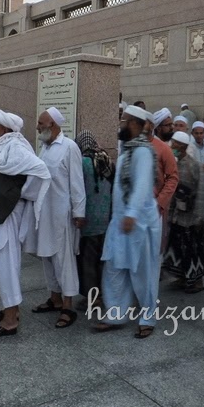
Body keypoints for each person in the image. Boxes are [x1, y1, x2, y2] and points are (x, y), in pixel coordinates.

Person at [0, 110, 51, 338]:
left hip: (5, 217)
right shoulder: (3, 146)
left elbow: (40, 171)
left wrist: (17, 194)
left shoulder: (15, 146)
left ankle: (10, 322)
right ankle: (11, 310)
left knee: (5, 267)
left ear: (5, 129)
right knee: (5, 267)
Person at [94, 105, 160, 339]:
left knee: (143, 273)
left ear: (134, 124)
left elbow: (142, 186)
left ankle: (148, 318)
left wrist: (131, 214)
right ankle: (115, 314)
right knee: (114, 267)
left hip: (139, 222)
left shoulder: (142, 152)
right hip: (121, 222)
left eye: (124, 121)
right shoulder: (127, 150)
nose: (120, 125)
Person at [25, 107, 86, 330]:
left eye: (41, 123)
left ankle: (68, 305)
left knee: (63, 260)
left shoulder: (69, 147)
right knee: (47, 257)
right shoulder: (45, 147)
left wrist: (79, 213)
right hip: (44, 212)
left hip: (62, 214)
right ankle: (55, 297)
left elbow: (77, 182)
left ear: (53, 125)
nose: (38, 127)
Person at [163, 131, 204, 293]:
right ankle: (182, 278)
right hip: (177, 215)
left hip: (191, 216)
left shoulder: (194, 165)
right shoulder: (173, 163)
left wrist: (199, 217)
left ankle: (197, 282)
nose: (171, 146)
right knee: (177, 248)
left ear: (181, 146)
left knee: (193, 249)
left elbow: (202, 191)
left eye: (174, 144)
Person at [75, 130, 114, 309]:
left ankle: (93, 297)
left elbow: (77, 189)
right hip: (105, 217)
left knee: (88, 259)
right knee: (100, 258)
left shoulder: (82, 162)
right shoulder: (107, 160)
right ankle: (103, 291)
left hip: (88, 218)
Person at [147, 109, 179, 253]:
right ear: (158, 128)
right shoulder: (139, 145)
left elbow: (172, 177)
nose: (171, 128)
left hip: (156, 207)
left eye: (171, 124)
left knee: (154, 247)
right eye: (168, 125)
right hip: (138, 208)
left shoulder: (164, 149)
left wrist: (160, 202)